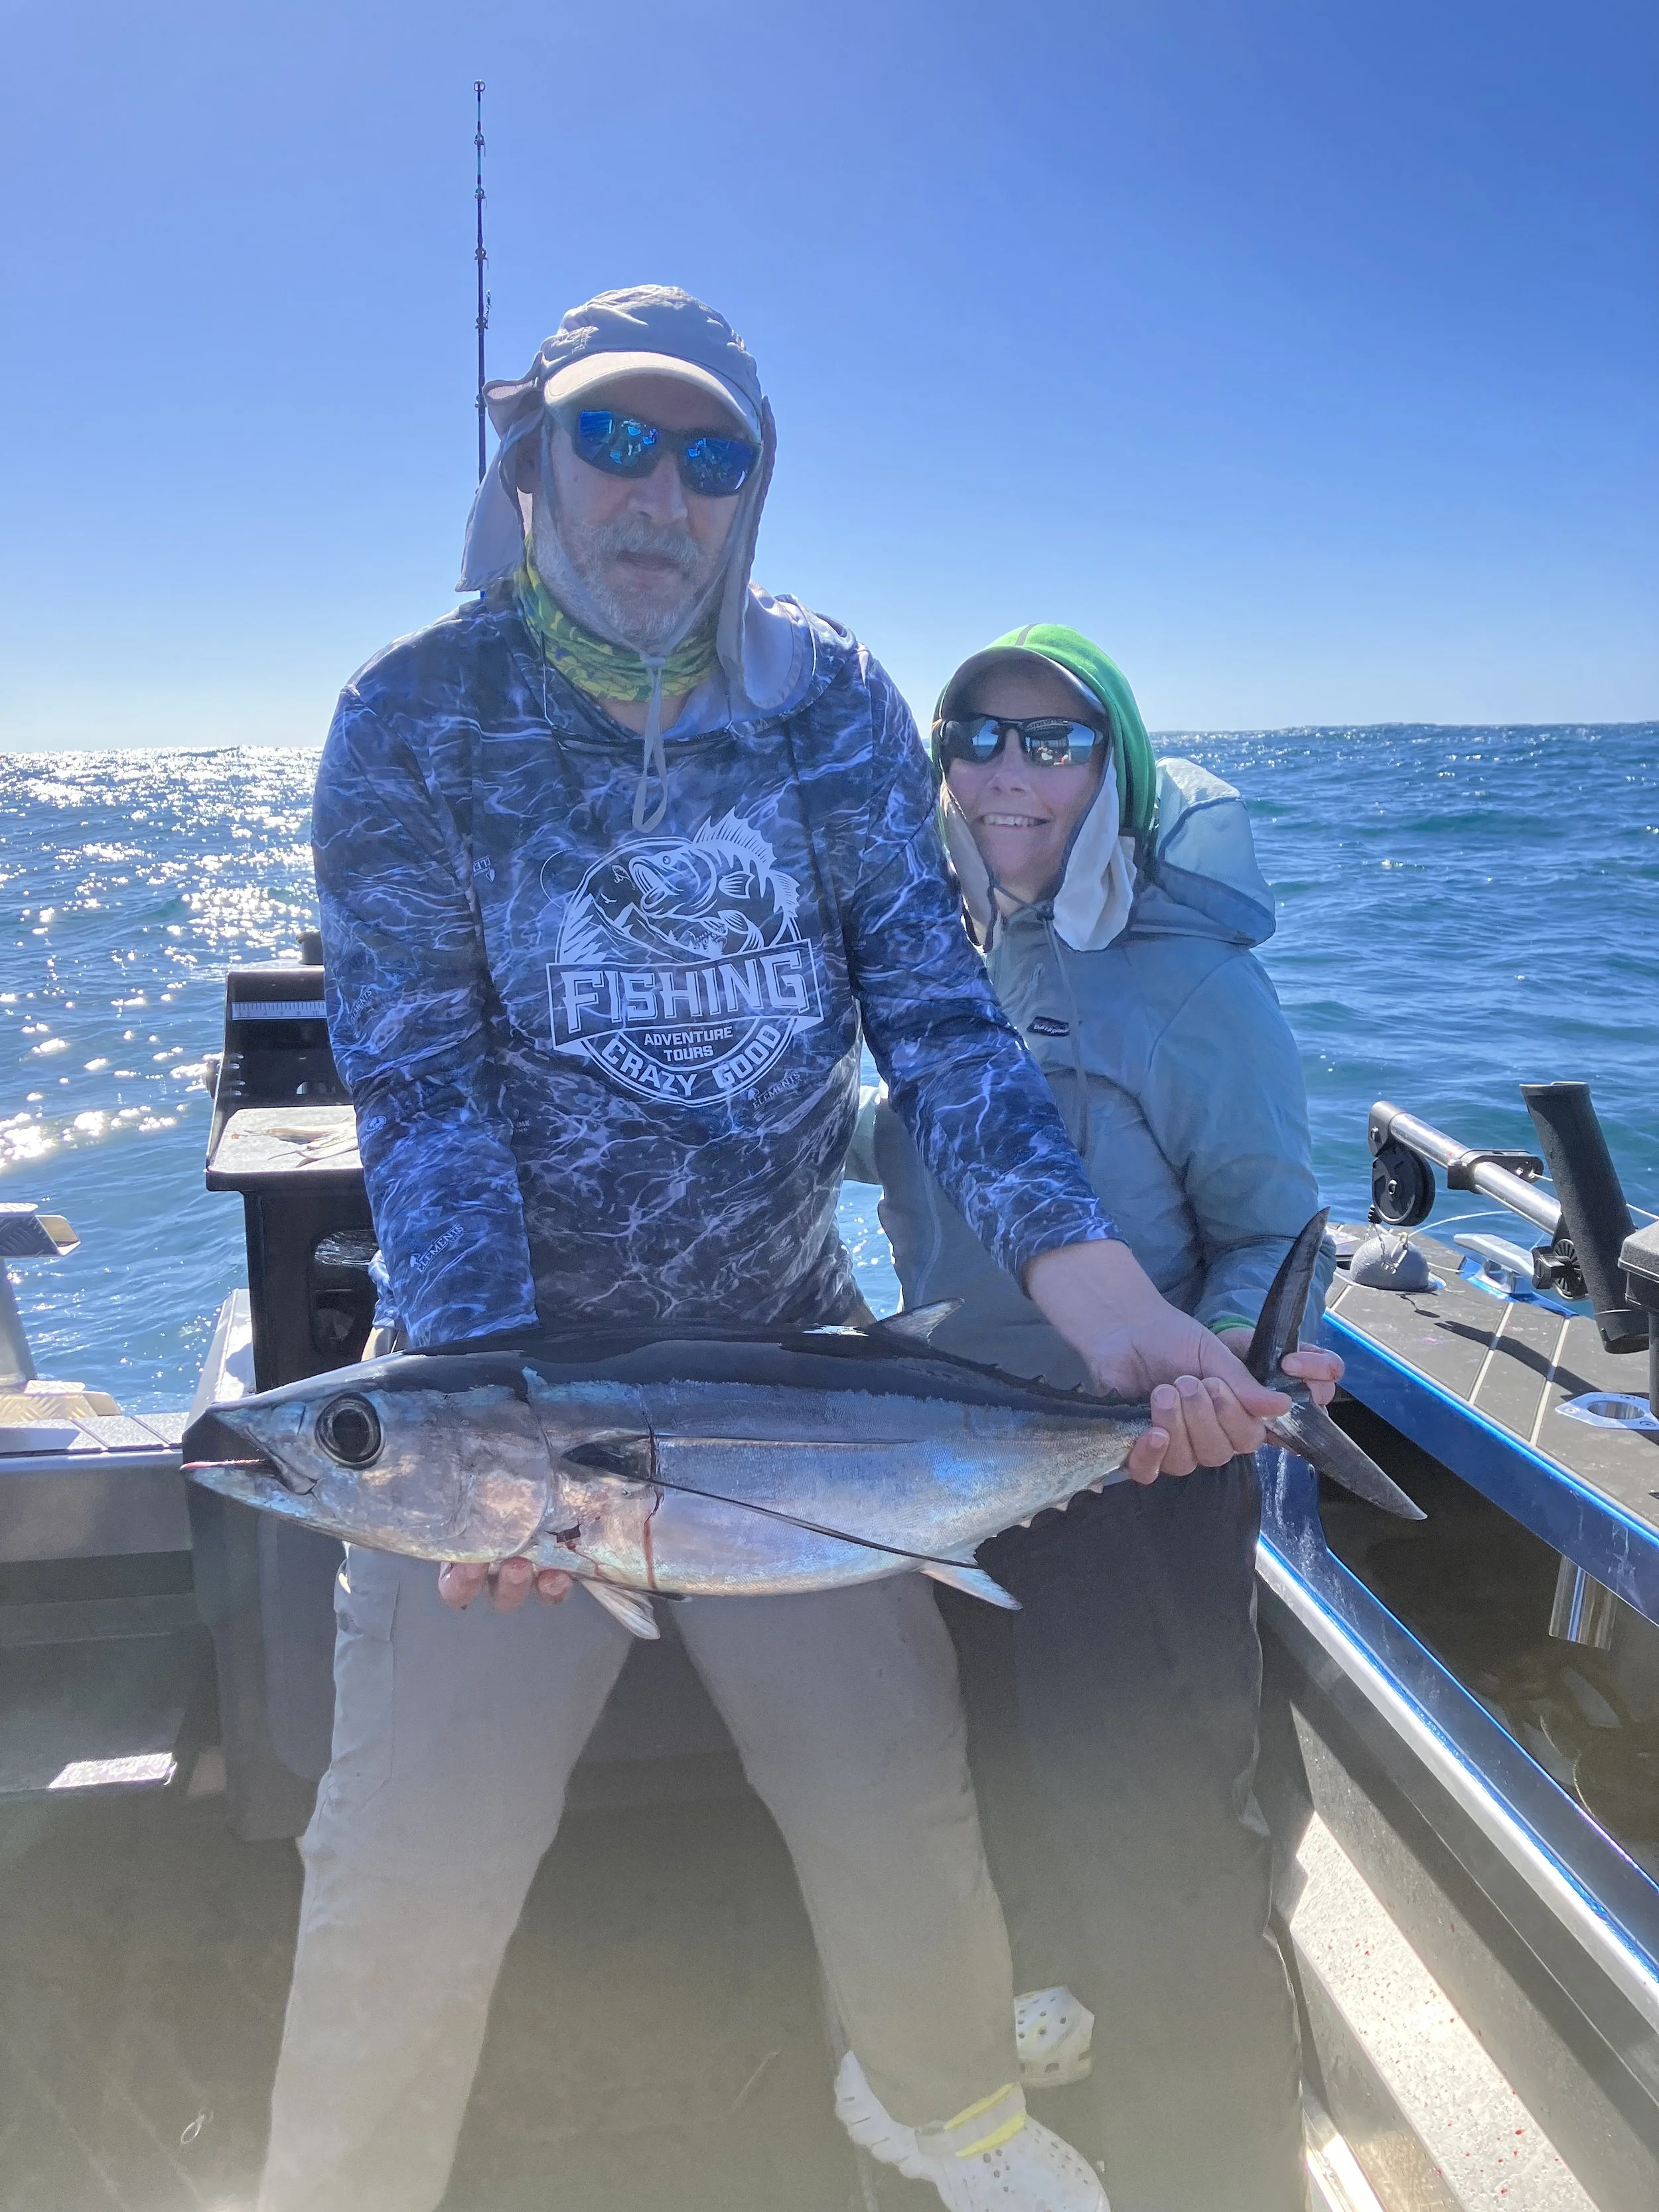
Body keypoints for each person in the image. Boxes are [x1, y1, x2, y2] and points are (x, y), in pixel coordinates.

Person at [262, 291, 1292, 2212]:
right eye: (614, 441)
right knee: (407, 1855)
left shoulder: (825, 696)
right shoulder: (410, 713)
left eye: (710, 451)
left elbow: (939, 1019)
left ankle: (941, 2104)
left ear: (756, 483)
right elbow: (415, 1082)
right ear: (530, 457)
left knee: (891, 1785)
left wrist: (1106, 1293)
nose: (660, 491)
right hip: (503, 1373)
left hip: (785, 1360)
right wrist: (495, 1441)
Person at [844, 625, 1343, 2212]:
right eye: (974, 736)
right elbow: (920, 1142)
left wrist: (1217, 1364)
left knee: (1159, 1848)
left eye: (1052, 742)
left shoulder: (1190, 979)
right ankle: (1065, 2096)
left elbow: (1277, 1224)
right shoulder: (938, 950)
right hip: (948, 1463)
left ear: (1113, 766)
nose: (1007, 770)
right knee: (993, 1801)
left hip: (1135, 1468)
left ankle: (1222, 2174)